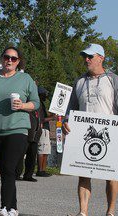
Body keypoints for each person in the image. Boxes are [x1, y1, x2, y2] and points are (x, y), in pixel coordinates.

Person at [0, 46, 40, 216]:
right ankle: (13, 207)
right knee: (5, 170)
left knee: (9, 168)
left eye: (13, 58)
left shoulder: (25, 79)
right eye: (6, 57)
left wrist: (23, 105)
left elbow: (36, 102)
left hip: (17, 129)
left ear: (18, 62)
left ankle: (4, 207)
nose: (9, 60)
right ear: (2, 58)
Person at [63, 43, 118, 216]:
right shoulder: (79, 81)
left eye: (90, 56)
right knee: (83, 173)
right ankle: (83, 212)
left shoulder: (113, 79)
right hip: (84, 135)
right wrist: (66, 121)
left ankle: (110, 212)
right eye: (84, 57)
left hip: (109, 134)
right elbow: (70, 108)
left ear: (101, 58)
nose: (86, 59)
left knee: (112, 176)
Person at [15, 109, 42, 182]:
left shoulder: (38, 108)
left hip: (35, 136)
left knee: (32, 156)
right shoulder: (26, 107)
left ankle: (28, 175)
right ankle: (16, 174)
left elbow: (40, 120)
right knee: (20, 155)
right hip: (26, 135)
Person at [36, 87, 54, 177]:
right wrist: (52, 118)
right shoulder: (38, 104)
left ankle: (43, 169)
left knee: (46, 150)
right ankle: (40, 170)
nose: (46, 97)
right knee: (42, 149)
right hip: (42, 129)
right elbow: (41, 119)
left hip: (46, 129)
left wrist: (52, 115)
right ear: (40, 95)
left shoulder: (41, 104)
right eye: (44, 95)